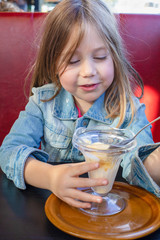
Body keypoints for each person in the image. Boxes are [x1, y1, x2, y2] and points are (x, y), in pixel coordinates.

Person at [0, 0, 159, 209]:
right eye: (73, 61)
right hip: (53, 209)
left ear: (114, 57)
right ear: (53, 63)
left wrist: (154, 165)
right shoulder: (42, 103)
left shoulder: (129, 110)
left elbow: (139, 161)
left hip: (107, 212)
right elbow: (9, 151)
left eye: (100, 57)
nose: (88, 71)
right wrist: (49, 177)